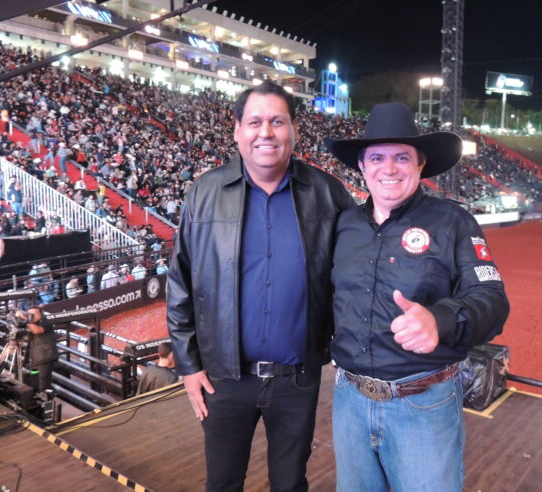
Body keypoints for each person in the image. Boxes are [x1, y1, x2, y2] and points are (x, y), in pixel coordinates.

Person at [167, 80, 353, 492]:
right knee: (223, 483)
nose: (265, 132)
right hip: (223, 379)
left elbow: (358, 270)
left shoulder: (328, 193)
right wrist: (188, 365)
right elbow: (180, 280)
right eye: (254, 122)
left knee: (290, 484)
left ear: (294, 130)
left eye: (277, 121)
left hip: (297, 379)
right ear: (237, 130)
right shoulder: (205, 192)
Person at [324, 103, 510, 492]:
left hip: (423, 404)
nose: (388, 169)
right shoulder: (344, 226)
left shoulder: (453, 221)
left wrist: (440, 320)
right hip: (349, 402)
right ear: (362, 166)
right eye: (377, 157)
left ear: (420, 165)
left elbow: (492, 299)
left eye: (401, 157)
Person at [20, 306, 57, 392]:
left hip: (45, 359)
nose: (31, 316)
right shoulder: (31, 324)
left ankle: (45, 401)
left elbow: (37, 331)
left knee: (43, 383)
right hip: (34, 359)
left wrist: (25, 319)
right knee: (34, 381)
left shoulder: (46, 323)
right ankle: (36, 397)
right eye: (29, 314)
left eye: (33, 314)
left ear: (40, 314)